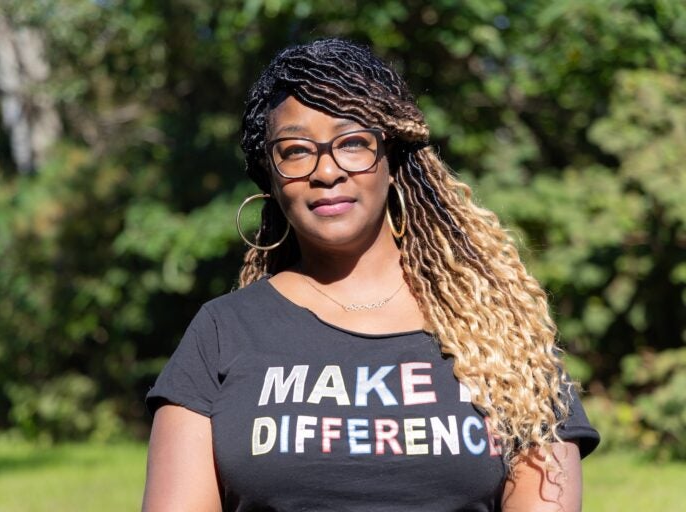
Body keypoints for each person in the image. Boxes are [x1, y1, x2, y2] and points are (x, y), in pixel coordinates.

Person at [142, 38, 600, 511]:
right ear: (269, 174)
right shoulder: (223, 332)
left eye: (353, 143)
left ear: (393, 156)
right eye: (296, 151)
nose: (326, 171)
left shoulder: (503, 334)